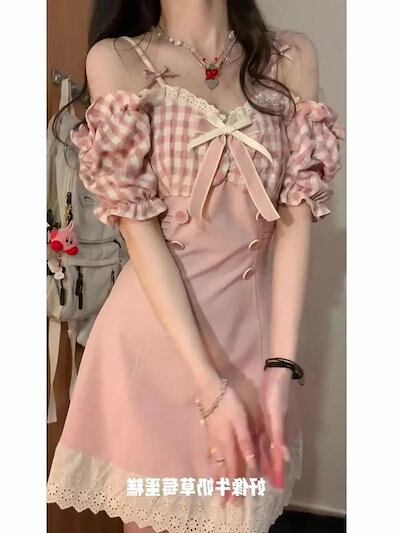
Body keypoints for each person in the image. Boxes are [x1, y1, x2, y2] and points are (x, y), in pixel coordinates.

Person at [47, 1, 344, 531]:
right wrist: (209, 389)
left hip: (254, 351)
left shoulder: (288, 57)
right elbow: (139, 233)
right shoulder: (118, 59)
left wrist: (280, 367)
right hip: (155, 347)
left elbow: (296, 221)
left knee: (241, 515)